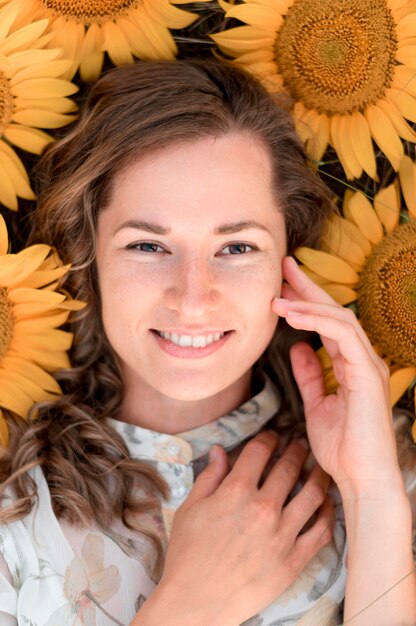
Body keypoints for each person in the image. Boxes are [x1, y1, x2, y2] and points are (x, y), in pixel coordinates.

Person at [0, 58, 414, 626]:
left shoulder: (387, 478)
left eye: (237, 248)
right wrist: (188, 609)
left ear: (287, 260)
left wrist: (373, 497)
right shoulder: (13, 511)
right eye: (147, 246)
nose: (193, 299)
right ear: (87, 255)